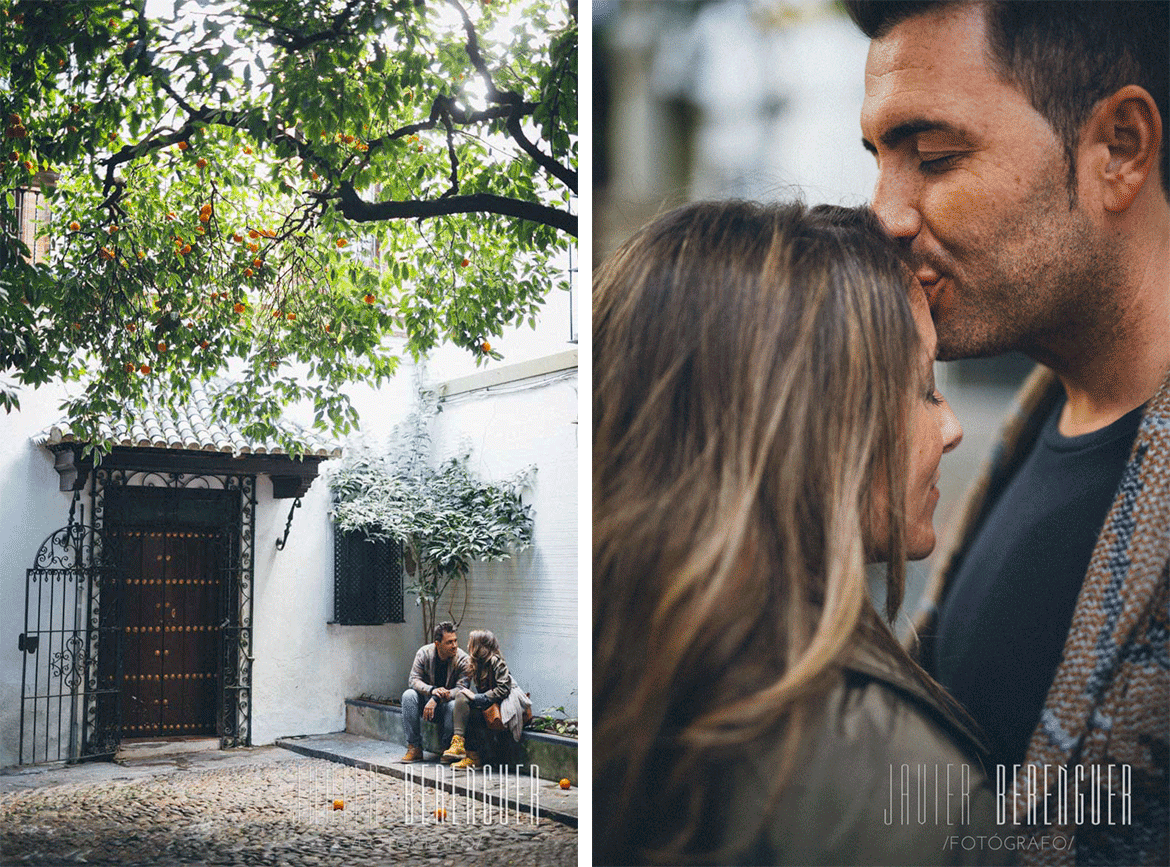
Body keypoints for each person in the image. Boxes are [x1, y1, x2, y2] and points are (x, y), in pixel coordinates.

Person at [846, 2, 1169, 863]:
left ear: (1120, 149)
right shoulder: (1031, 425)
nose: (885, 212)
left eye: (936, 156)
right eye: (880, 158)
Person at [593, 200, 1003, 865]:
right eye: (926, 388)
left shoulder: (623, 668)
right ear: (818, 428)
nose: (951, 427)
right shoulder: (909, 795)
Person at [441, 629, 531, 770]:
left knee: (470, 710)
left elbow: (503, 689)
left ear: (479, 645)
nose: (467, 645)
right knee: (462, 697)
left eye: (471, 642)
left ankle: (472, 757)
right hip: (488, 704)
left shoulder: (496, 661)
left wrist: (478, 697)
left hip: (500, 707)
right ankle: (459, 745)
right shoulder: (476, 663)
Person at [399, 621, 470, 763]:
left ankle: (447, 749)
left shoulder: (463, 659)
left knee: (454, 705)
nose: (454, 645)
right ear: (437, 644)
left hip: (446, 704)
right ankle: (414, 747)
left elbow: (462, 689)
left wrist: (437, 698)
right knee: (408, 695)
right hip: (425, 704)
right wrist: (432, 690)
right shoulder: (424, 653)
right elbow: (413, 680)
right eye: (449, 642)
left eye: (455, 641)